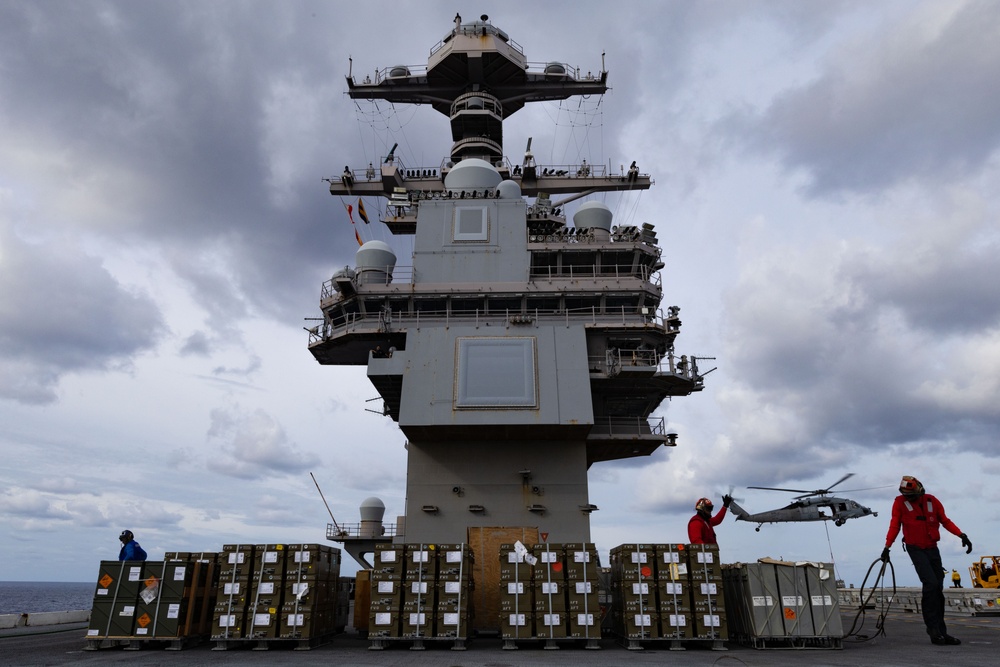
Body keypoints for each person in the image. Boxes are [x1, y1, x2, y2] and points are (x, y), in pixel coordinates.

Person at [881, 475, 972, 646]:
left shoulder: (932, 501)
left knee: (938, 589)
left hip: (932, 548)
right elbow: (894, 525)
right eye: (906, 495)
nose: (909, 497)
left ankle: (942, 632)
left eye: (911, 494)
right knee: (930, 584)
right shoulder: (900, 503)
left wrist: (961, 535)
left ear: (919, 489)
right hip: (915, 548)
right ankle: (933, 630)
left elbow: (945, 521)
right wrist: (887, 547)